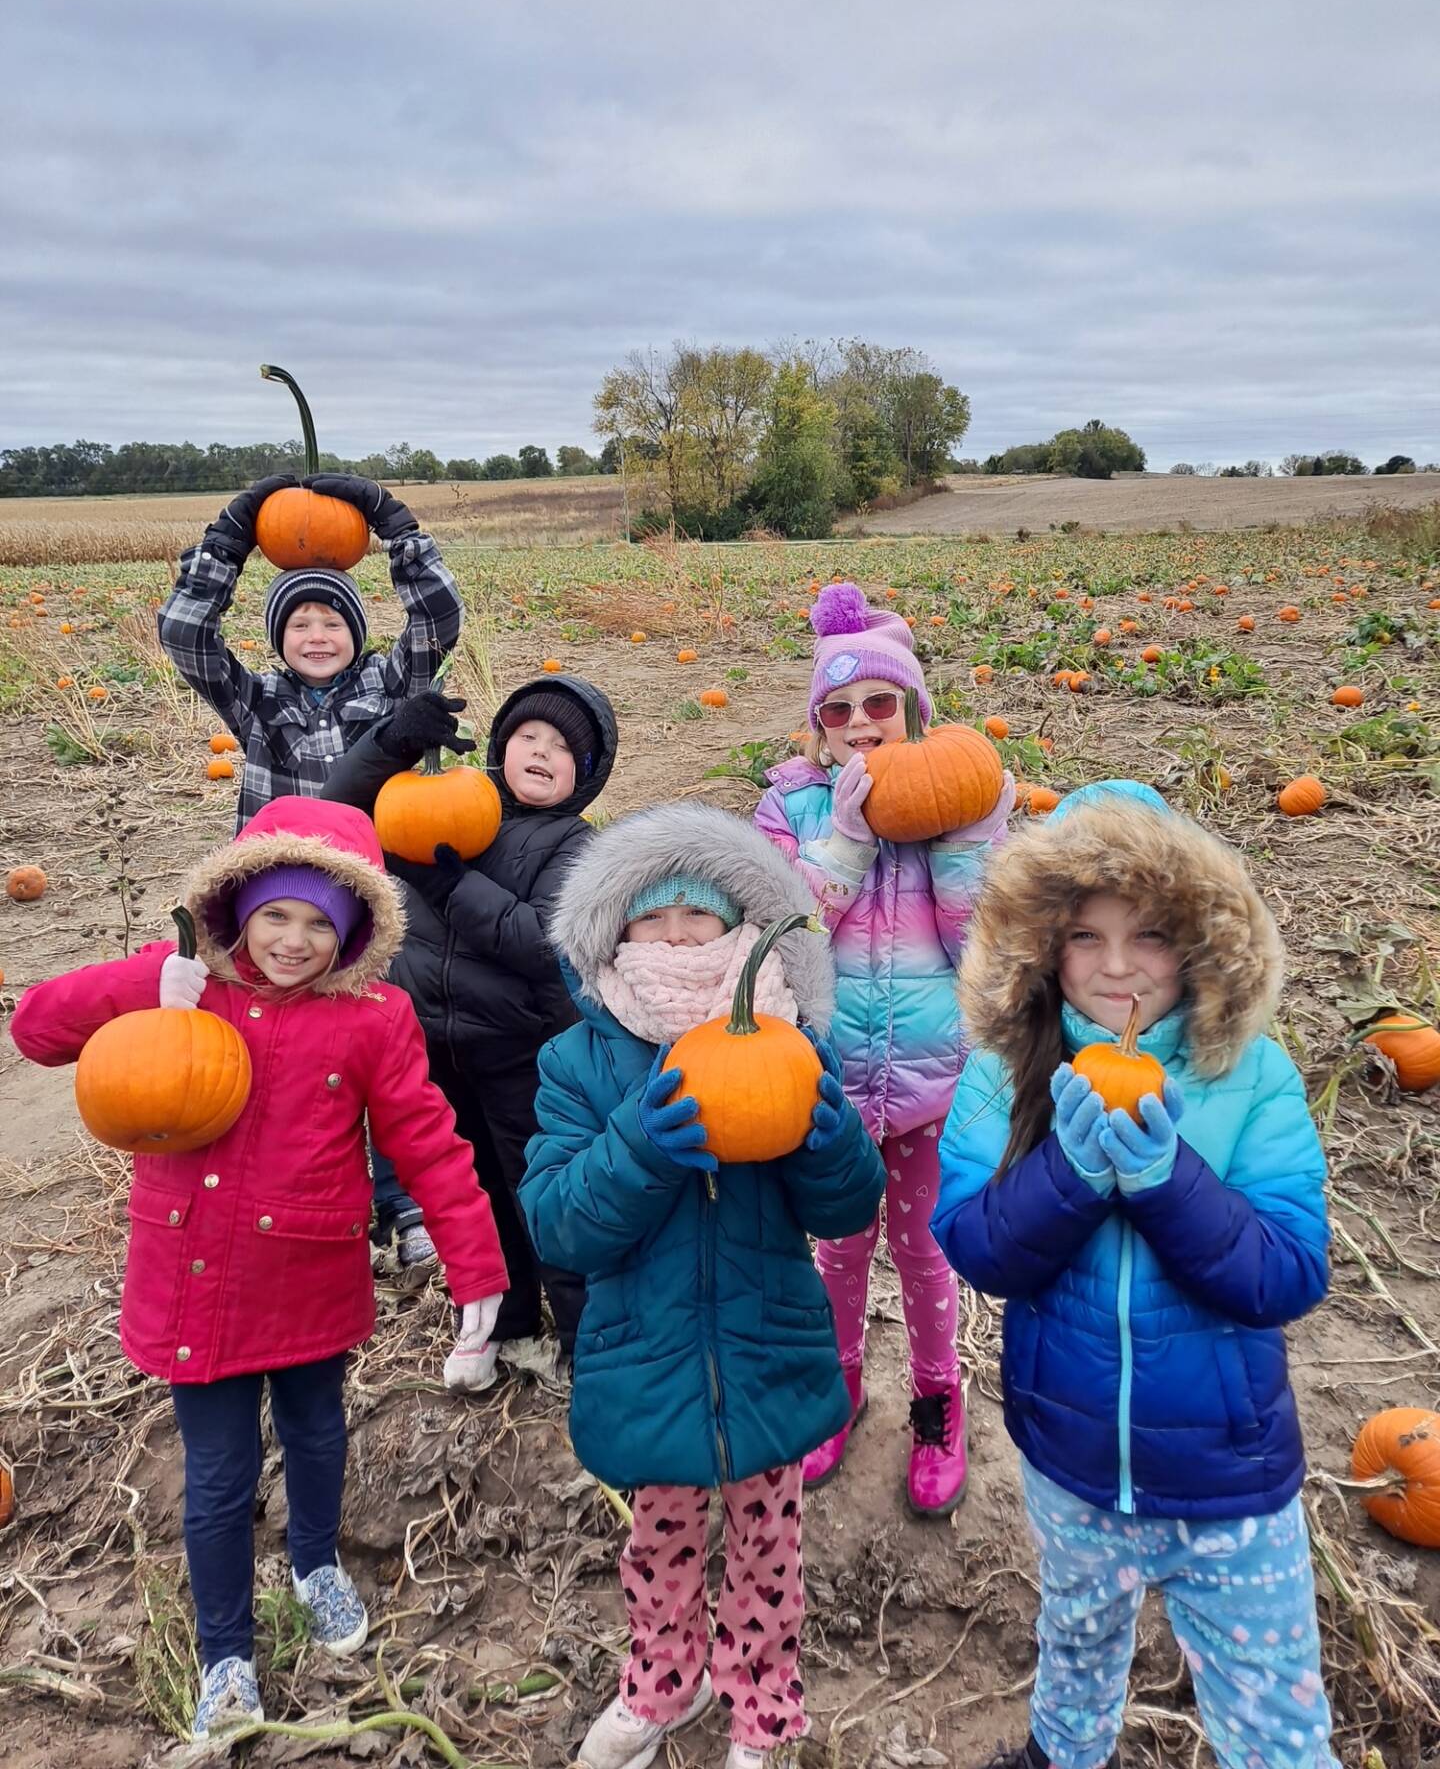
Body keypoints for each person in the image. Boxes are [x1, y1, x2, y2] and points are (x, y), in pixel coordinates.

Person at [11, 798, 509, 1743]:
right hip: (194, 1274)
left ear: (355, 933)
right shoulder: (184, 989)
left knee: (318, 1432)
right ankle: (226, 1654)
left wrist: (475, 1266)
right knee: (219, 1472)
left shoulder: (374, 1016)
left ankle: (315, 1562)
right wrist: (145, 980)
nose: (293, 941)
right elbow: (35, 1030)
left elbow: (428, 1144)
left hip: (310, 1271)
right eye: (275, 914)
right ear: (237, 907)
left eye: (321, 924)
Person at [931, 781, 1339, 1769]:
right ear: (1043, 946)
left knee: (1271, 1708)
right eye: (1086, 937)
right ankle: (1063, 1751)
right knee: (1075, 1639)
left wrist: (1166, 1183)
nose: (1116, 967)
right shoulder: (1001, 1072)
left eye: (1148, 935)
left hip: (1227, 1478)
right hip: (1069, 1461)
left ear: (1197, 940)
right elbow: (978, 1248)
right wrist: (1068, 1176)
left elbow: (1286, 1273)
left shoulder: (1250, 1075)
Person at [519, 802, 886, 1769]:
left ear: (741, 929)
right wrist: (642, 1148)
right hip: (648, 1356)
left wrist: (829, 1142)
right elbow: (558, 1223)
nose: (678, 936)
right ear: (615, 932)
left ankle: (762, 1706)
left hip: (768, 1345)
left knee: (769, 1549)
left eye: (700, 916)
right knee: (660, 1546)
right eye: (654, 917)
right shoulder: (581, 1061)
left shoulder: (791, 1041)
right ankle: (662, 1685)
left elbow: (847, 1209)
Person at [754, 581, 1013, 1515]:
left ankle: (938, 1402)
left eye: (880, 703)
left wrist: (965, 844)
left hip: (930, 1084)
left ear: (914, 713)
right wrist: (848, 841)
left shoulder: (957, 809)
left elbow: (980, 951)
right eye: (839, 708)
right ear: (817, 727)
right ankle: (842, 1386)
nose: (861, 722)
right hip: (830, 1083)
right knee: (839, 1248)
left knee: (924, 1251)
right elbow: (787, 941)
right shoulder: (788, 813)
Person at [323, 673, 617, 1350]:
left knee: (539, 1193)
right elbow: (336, 814)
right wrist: (392, 744)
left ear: (586, 774)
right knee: (474, 1194)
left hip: (525, 1053)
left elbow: (541, 942)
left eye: (562, 747)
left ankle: (585, 1339)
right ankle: (508, 1328)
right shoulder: (445, 803)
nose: (541, 751)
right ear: (499, 747)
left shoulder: (576, 845)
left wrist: (449, 885)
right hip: (434, 1047)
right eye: (528, 736)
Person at [157, 471, 463, 833]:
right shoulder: (255, 701)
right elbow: (183, 635)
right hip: (282, 863)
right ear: (278, 637)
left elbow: (439, 617)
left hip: (370, 861)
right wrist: (222, 550)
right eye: (299, 626)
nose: (317, 637)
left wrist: (400, 533)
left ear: (357, 634)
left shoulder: (390, 685)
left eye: (333, 625)